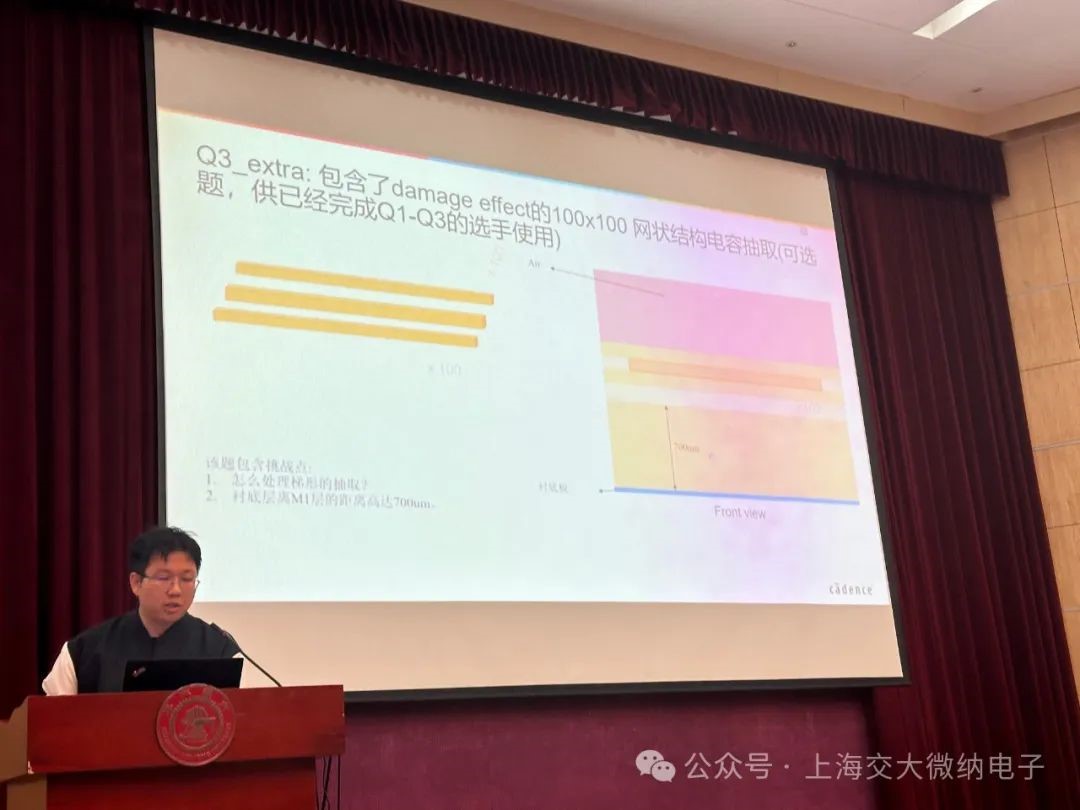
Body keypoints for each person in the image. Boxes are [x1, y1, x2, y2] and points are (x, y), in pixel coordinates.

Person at [41, 526, 240, 695]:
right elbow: (53, 720)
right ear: (136, 583)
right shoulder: (85, 651)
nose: (176, 590)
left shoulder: (220, 651)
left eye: (187, 579)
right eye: (164, 578)